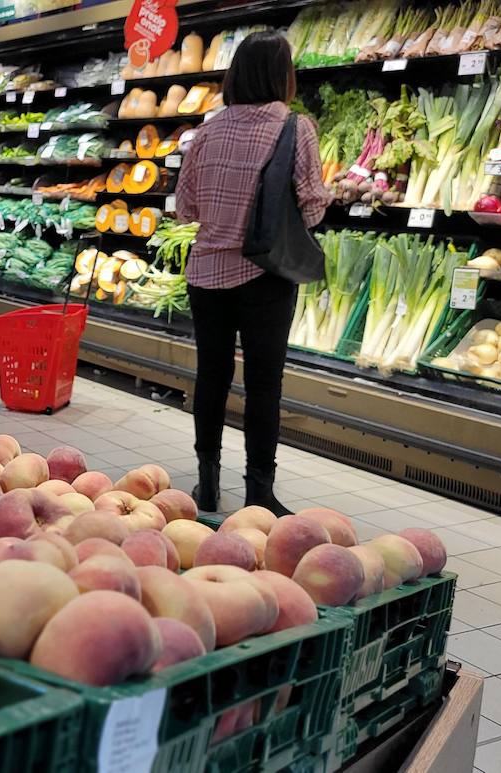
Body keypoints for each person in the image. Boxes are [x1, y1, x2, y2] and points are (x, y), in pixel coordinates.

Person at [175, 31, 331, 516]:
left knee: (211, 378)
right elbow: (310, 209)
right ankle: (259, 492)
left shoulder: (208, 130)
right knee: (264, 385)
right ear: (283, 75)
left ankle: (206, 484)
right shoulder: (295, 128)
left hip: (206, 273)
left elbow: (186, 208)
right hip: (265, 274)